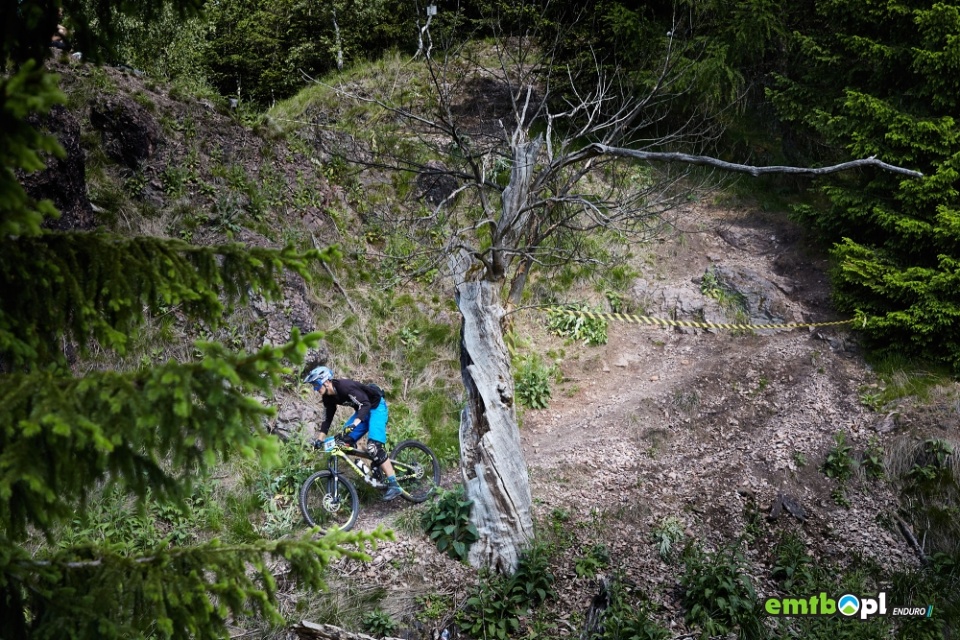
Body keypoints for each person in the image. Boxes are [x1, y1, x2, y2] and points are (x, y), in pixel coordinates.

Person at [303, 364, 403, 501]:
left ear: (326, 381)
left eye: (316, 384)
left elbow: (366, 404)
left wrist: (355, 424)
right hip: (363, 412)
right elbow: (327, 418)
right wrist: (320, 439)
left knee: (374, 447)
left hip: (376, 407)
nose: (315, 388)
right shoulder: (328, 397)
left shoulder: (345, 387)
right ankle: (375, 463)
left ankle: (394, 484)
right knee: (341, 442)